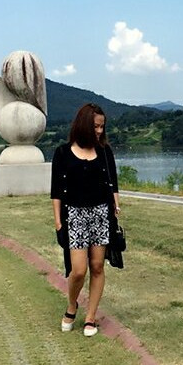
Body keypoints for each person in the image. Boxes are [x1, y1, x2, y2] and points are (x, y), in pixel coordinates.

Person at [51, 103, 120, 337]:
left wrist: (116, 206)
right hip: (75, 215)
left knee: (98, 266)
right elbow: (57, 192)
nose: (99, 131)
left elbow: (113, 184)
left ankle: (91, 317)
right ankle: (72, 305)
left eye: (102, 127)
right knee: (78, 270)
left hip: (101, 213)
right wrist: (59, 222)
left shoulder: (104, 152)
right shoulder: (62, 152)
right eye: (95, 126)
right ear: (83, 125)